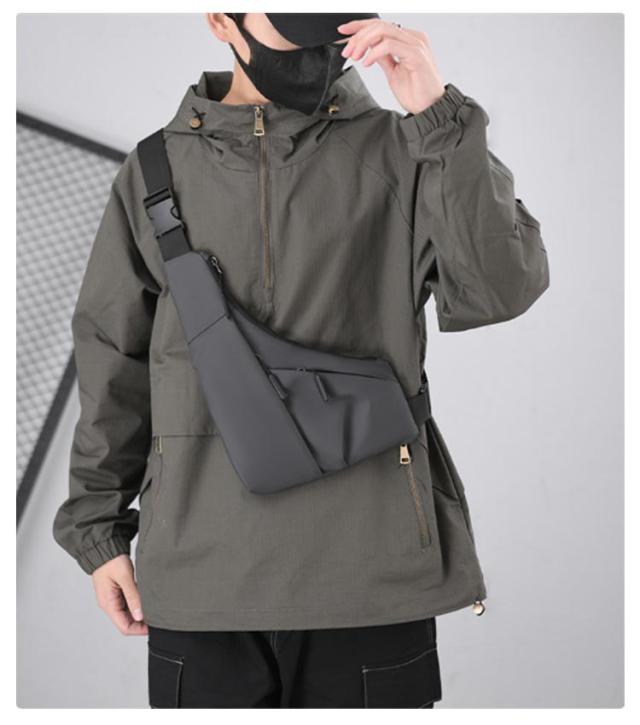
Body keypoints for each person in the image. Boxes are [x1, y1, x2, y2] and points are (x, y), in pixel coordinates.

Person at [53, 12, 549, 708]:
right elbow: (114, 357)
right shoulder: (155, 169)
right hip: (203, 576)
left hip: (370, 574)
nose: (319, 41)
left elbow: (501, 289)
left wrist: (438, 116)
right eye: (292, 17)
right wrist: (97, 530)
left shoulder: (404, 147)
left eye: (330, 15)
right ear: (222, 20)